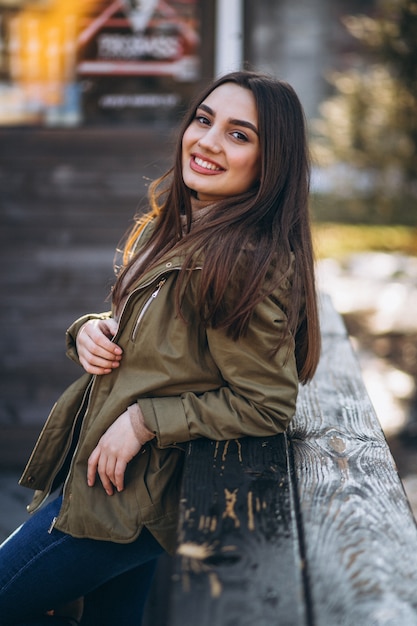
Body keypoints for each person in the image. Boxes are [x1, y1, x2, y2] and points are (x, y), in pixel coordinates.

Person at [0, 70, 320, 625]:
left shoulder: (241, 262)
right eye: (204, 119)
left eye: (240, 135)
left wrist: (147, 420)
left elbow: (268, 401)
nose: (208, 141)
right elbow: (156, 334)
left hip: (137, 500)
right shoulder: (170, 228)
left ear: (272, 163)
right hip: (105, 479)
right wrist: (89, 330)